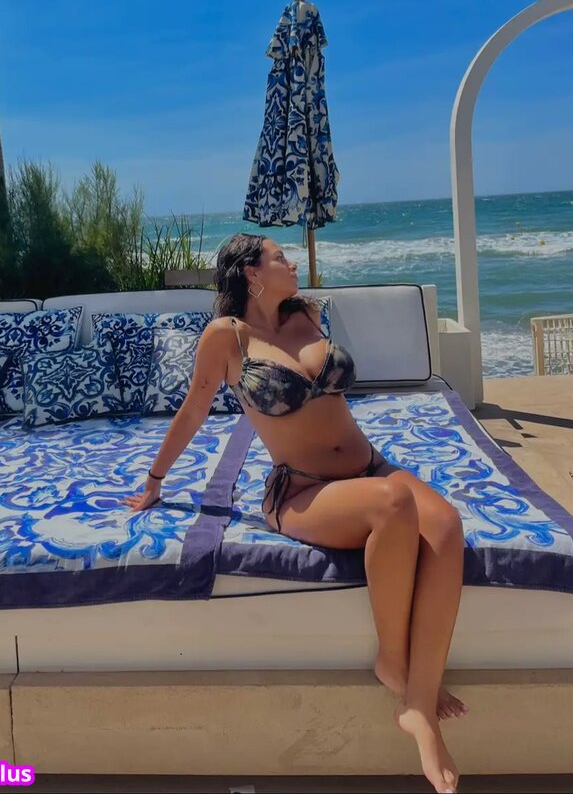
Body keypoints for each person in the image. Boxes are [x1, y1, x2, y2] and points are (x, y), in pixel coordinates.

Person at [123, 232, 465, 794]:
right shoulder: (226, 336)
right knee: (394, 504)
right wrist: (155, 482)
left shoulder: (305, 313)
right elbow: (193, 409)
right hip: (303, 492)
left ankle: (419, 699)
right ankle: (397, 670)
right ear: (252, 273)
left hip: (369, 467)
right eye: (280, 257)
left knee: (446, 525)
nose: (293, 262)